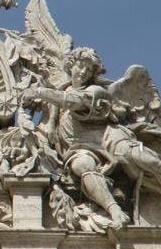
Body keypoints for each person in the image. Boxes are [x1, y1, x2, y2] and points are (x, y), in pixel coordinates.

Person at [23, 48, 130, 228]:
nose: (83, 72)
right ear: (70, 65)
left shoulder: (94, 91)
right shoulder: (59, 94)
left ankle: (115, 211)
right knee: (81, 163)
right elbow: (47, 125)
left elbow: (70, 100)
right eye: (80, 66)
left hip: (98, 146)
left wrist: (38, 92)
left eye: (88, 70)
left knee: (85, 164)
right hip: (73, 150)